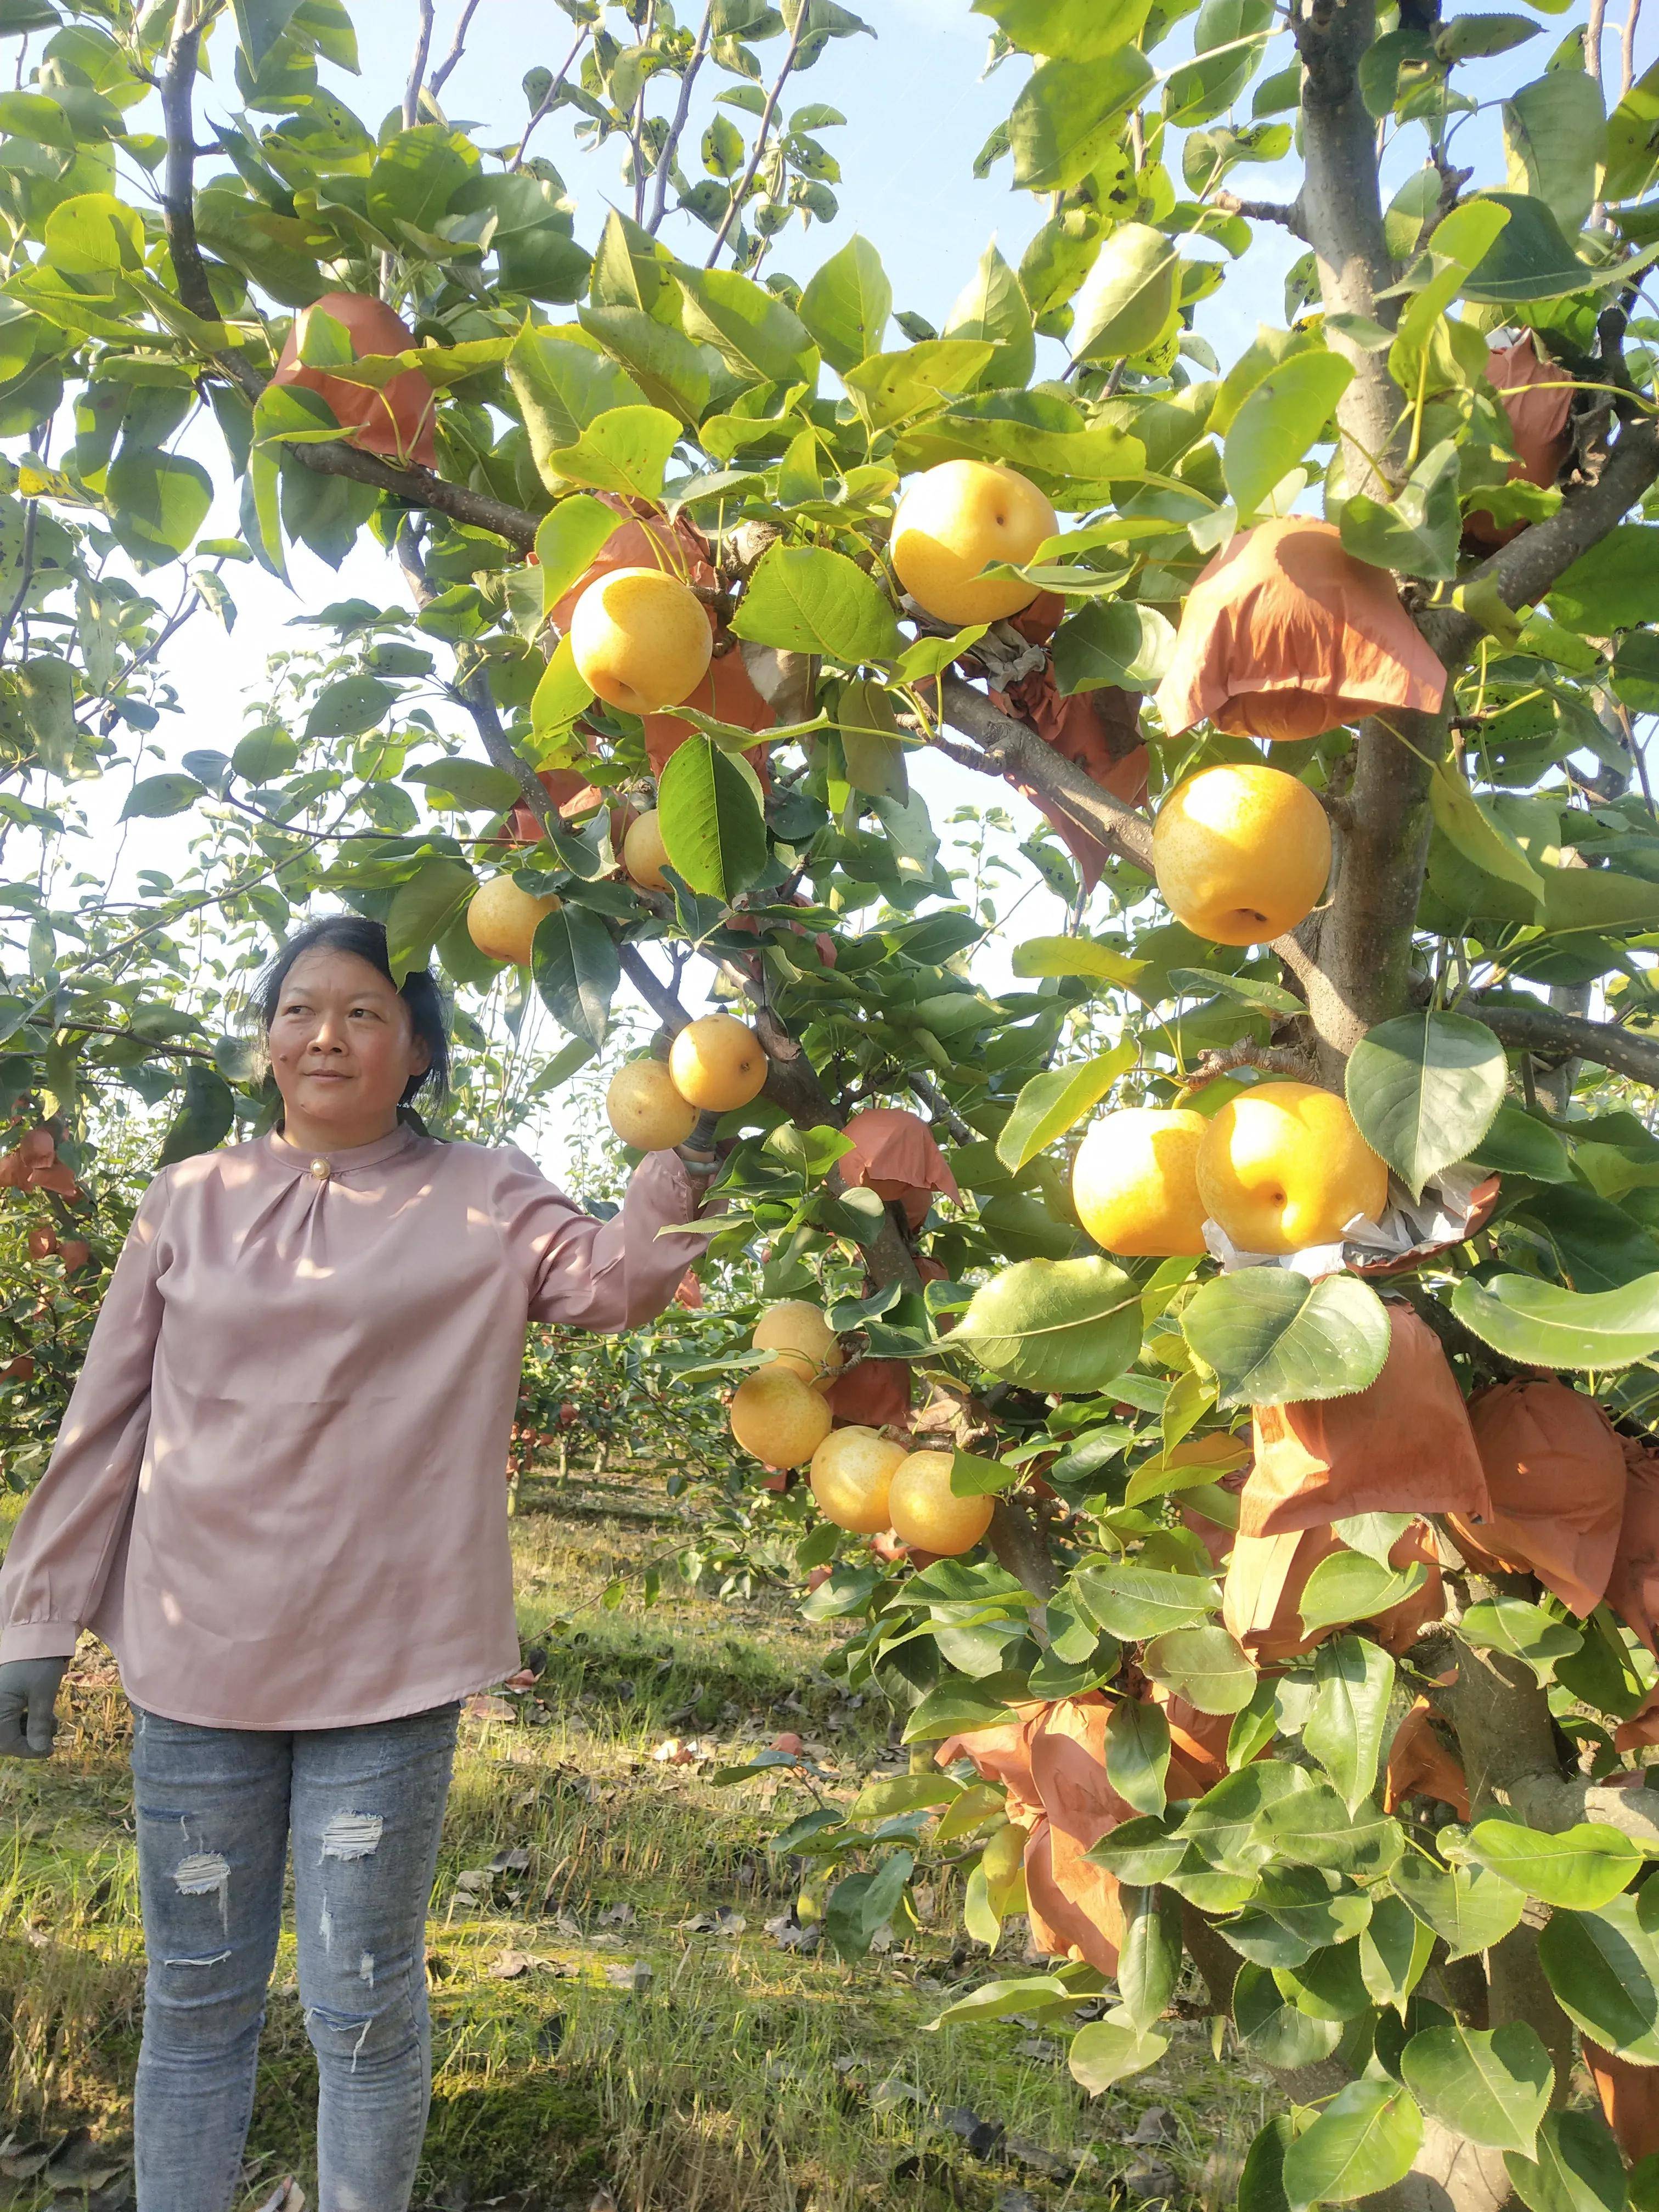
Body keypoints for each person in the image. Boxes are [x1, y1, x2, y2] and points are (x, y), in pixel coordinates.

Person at [0, 913, 719, 2212]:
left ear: (420, 1051)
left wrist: (693, 1147)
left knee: (365, 1998)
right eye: (299, 1010)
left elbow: (617, 1282)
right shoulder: (192, 1197)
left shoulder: (487, 1193)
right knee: (196, 1997)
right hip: (196, 1647)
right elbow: (106, 1418)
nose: (324, 1034)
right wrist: (35, 1616)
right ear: (268, 1043)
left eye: (365, 1013)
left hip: (388, 1656)